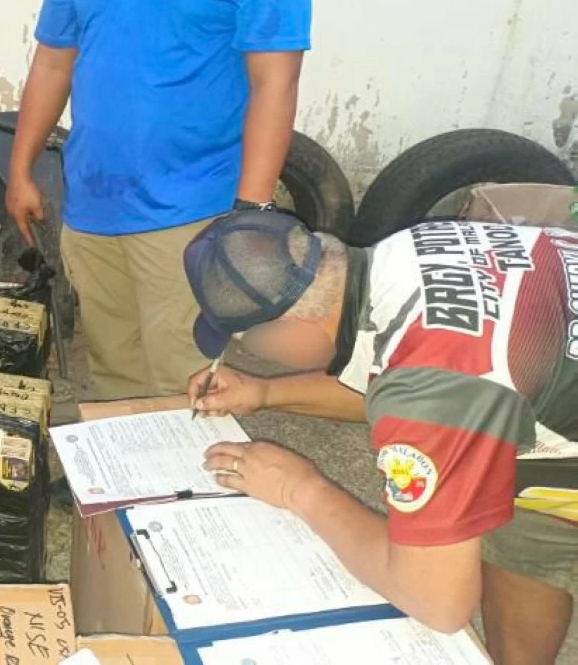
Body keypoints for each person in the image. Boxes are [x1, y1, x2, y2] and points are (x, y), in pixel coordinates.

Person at [6, 0, 312, 399]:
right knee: (114, 380)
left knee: (185, 388)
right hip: (93, 205)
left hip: (193, 214)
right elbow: (54, 60)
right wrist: (20, 169)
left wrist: (247, 218)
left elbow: (275, 82)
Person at [183, 209, 577, 664]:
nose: (255, 355)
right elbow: (409, 381)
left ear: (291, 329)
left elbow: (437, 600)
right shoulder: (407, 250)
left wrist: (297, 487)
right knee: (518, 528)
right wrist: (265, 392)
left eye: (248, 344)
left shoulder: (434, 390)